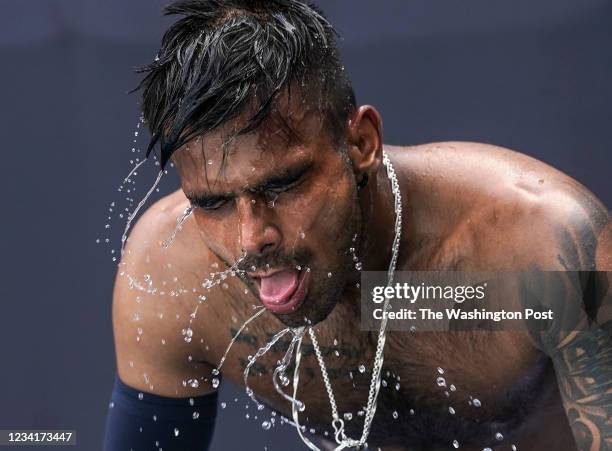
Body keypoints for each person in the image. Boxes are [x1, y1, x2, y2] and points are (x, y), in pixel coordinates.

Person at [103, 1, 612, 450]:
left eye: (283, 185)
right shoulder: (168, 274)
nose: (251, 238)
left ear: (362, 143)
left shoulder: (545, 246)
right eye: (212, 203)